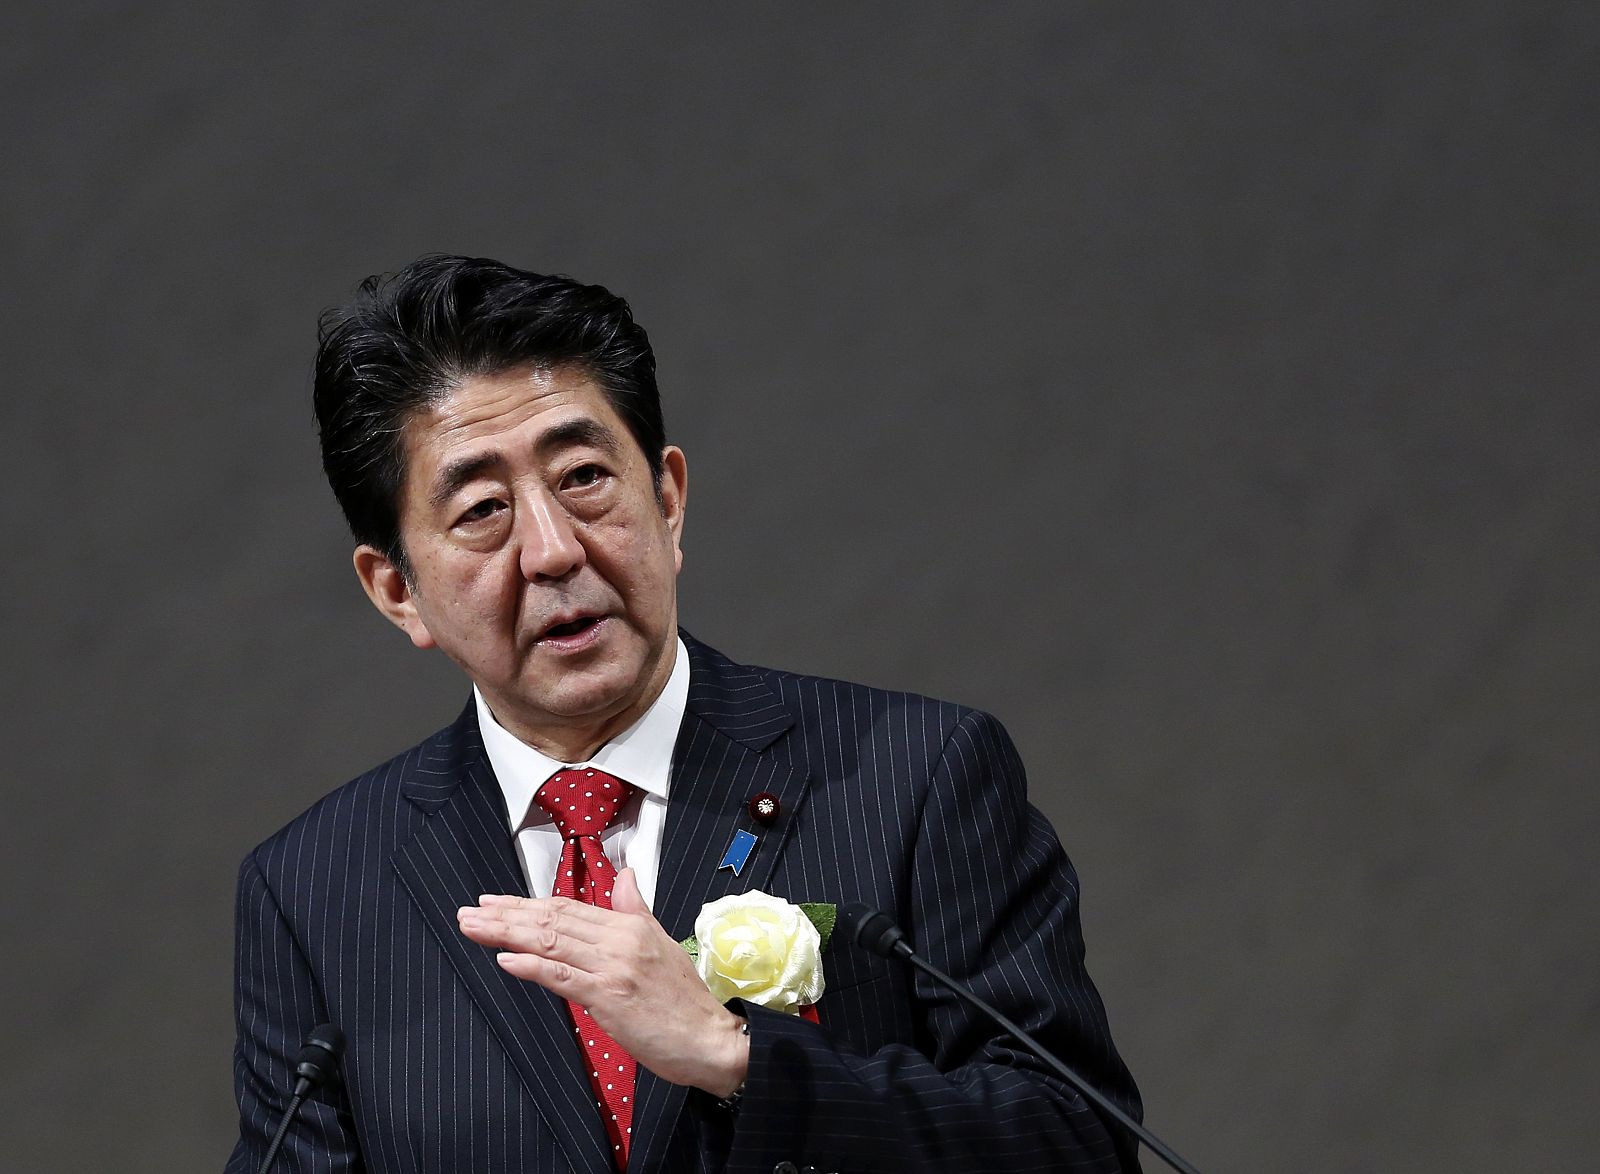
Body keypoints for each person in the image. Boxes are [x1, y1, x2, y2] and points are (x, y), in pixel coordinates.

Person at [226, 254, 1144, 1174]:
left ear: (667, 500)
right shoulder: (317, 889)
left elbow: (1079, 1143)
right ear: (397, 590)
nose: (551, 551)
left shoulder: (915, 774)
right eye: (483, 510)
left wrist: (742, 1061)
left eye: (583, 476)